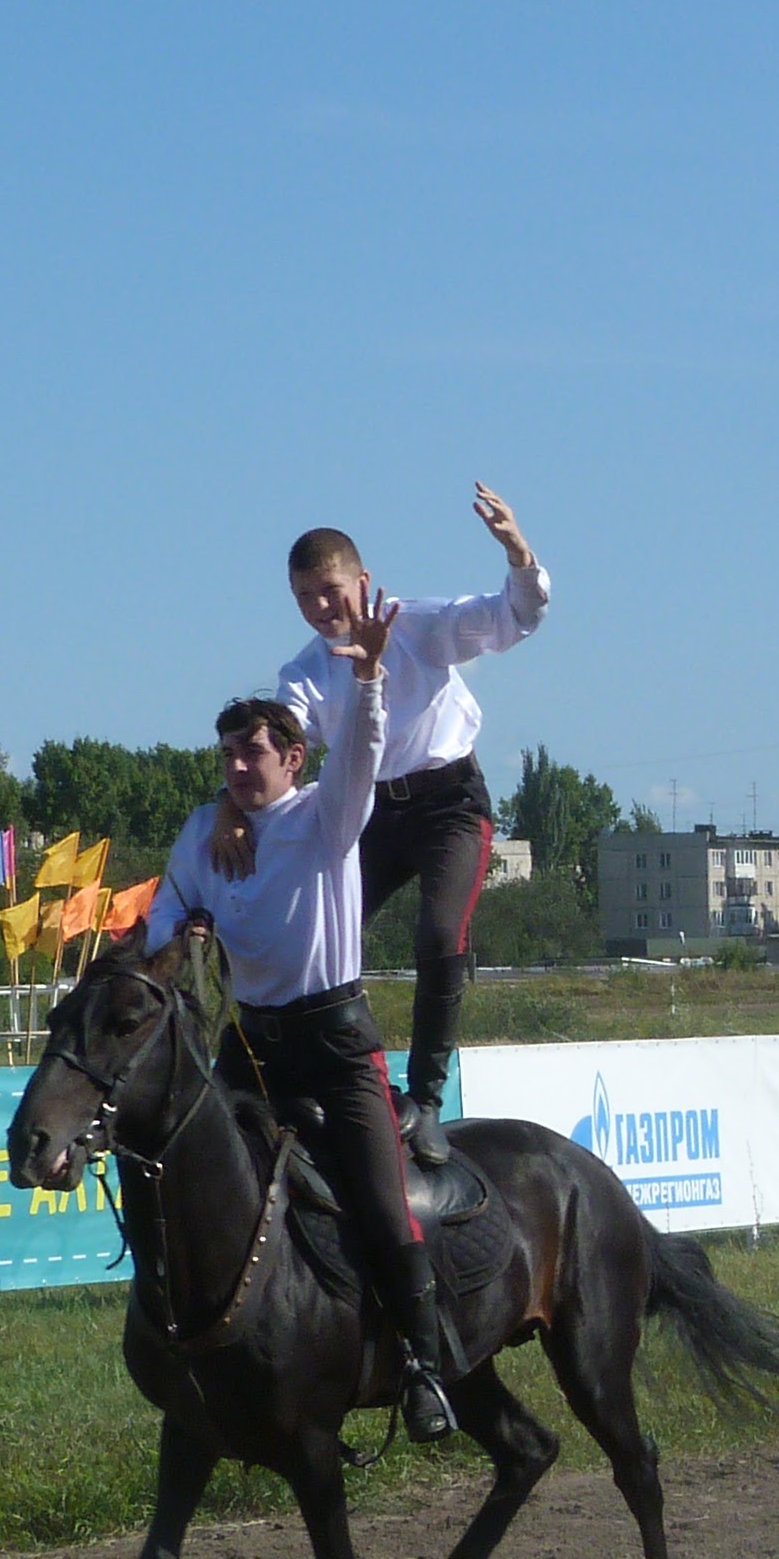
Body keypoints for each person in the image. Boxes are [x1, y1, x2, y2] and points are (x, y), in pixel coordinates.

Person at [139, 591, 471, 1444]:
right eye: (226, 756)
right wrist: (180, 937)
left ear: (293, 758)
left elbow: (361, 749)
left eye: (252, 753)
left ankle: (425, 1366)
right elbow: (165, 914)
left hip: (336, 1045)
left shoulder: (329, 815)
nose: (237, 768)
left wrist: (369, 678)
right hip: (248, 1046)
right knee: (184, 1174)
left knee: (381, 1203)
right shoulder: (203, 831)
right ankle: (190, 1340)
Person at [273, 483, 548, 1166]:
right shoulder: (305, 673)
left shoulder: (419, 625)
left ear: (363, 582)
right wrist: (237, 807)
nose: (320, 608)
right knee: (316, 934)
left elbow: (513, 617)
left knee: (438, 935)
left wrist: (518, 553)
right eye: (304, 597)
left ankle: (425, 1099)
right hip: (368, 811)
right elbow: (283, 744)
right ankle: (330, 1076)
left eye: (330, 591)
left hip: (448, 803)